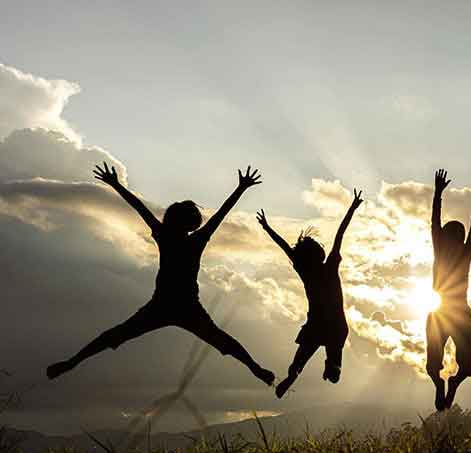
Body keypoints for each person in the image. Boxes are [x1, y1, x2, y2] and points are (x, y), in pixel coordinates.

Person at [46, 162, 275, 385]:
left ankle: (72, 362)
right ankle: (256, 369)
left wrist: (115, 184)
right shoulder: (192, 239)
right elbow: (217, 215)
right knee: (221, 340)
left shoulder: (168, 235)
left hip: (172, 306)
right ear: (191, 223)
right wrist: (240, 189)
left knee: (116, 335)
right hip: (177, 306)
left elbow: (140, 207)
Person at [257, 188, 363, 398]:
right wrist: (352, 207)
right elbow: (340, 233)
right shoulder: (330, 266)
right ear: (319, 254)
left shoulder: (306, 271)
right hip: (335, 326)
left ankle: (292, 376)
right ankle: (332, 367)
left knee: (298, 361)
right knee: (334, 364)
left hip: (315, 325)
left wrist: (267, 227)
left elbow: (285, 247)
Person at [427, 168, 471, 411]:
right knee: (436, 365)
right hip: (450, 312)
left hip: (447, 312)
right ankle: (443, 385)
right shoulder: (458, 253)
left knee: (463, 368)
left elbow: (439, 224)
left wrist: (440, 193)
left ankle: (448, 384)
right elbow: (441, 225)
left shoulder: (452, 252)